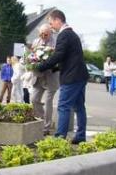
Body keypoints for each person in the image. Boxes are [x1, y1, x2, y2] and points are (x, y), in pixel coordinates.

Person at [37, 10, 89, 144]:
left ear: (58, 20)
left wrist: (42, 66)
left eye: (51, 23)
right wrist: (55, 67)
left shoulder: (64, 35)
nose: (51, 26)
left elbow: (58, 55)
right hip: (80, 76)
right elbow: (68, 58)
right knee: (79, 107)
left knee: (63, 106)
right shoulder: (73, 34)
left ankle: (59, 138)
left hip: (71, 78)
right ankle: (81, 136)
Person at [31, 23, 59, 136]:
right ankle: (41, 119)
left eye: (45, 34)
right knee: (34, 99)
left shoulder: (56, 43)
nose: (43, 36)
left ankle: (46, 127)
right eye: (41, 34)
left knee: (48, 101)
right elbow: (31, 57)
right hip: (38, 76)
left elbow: (58, 60)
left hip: (51, 76)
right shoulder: (35, 42)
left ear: (50, 33)